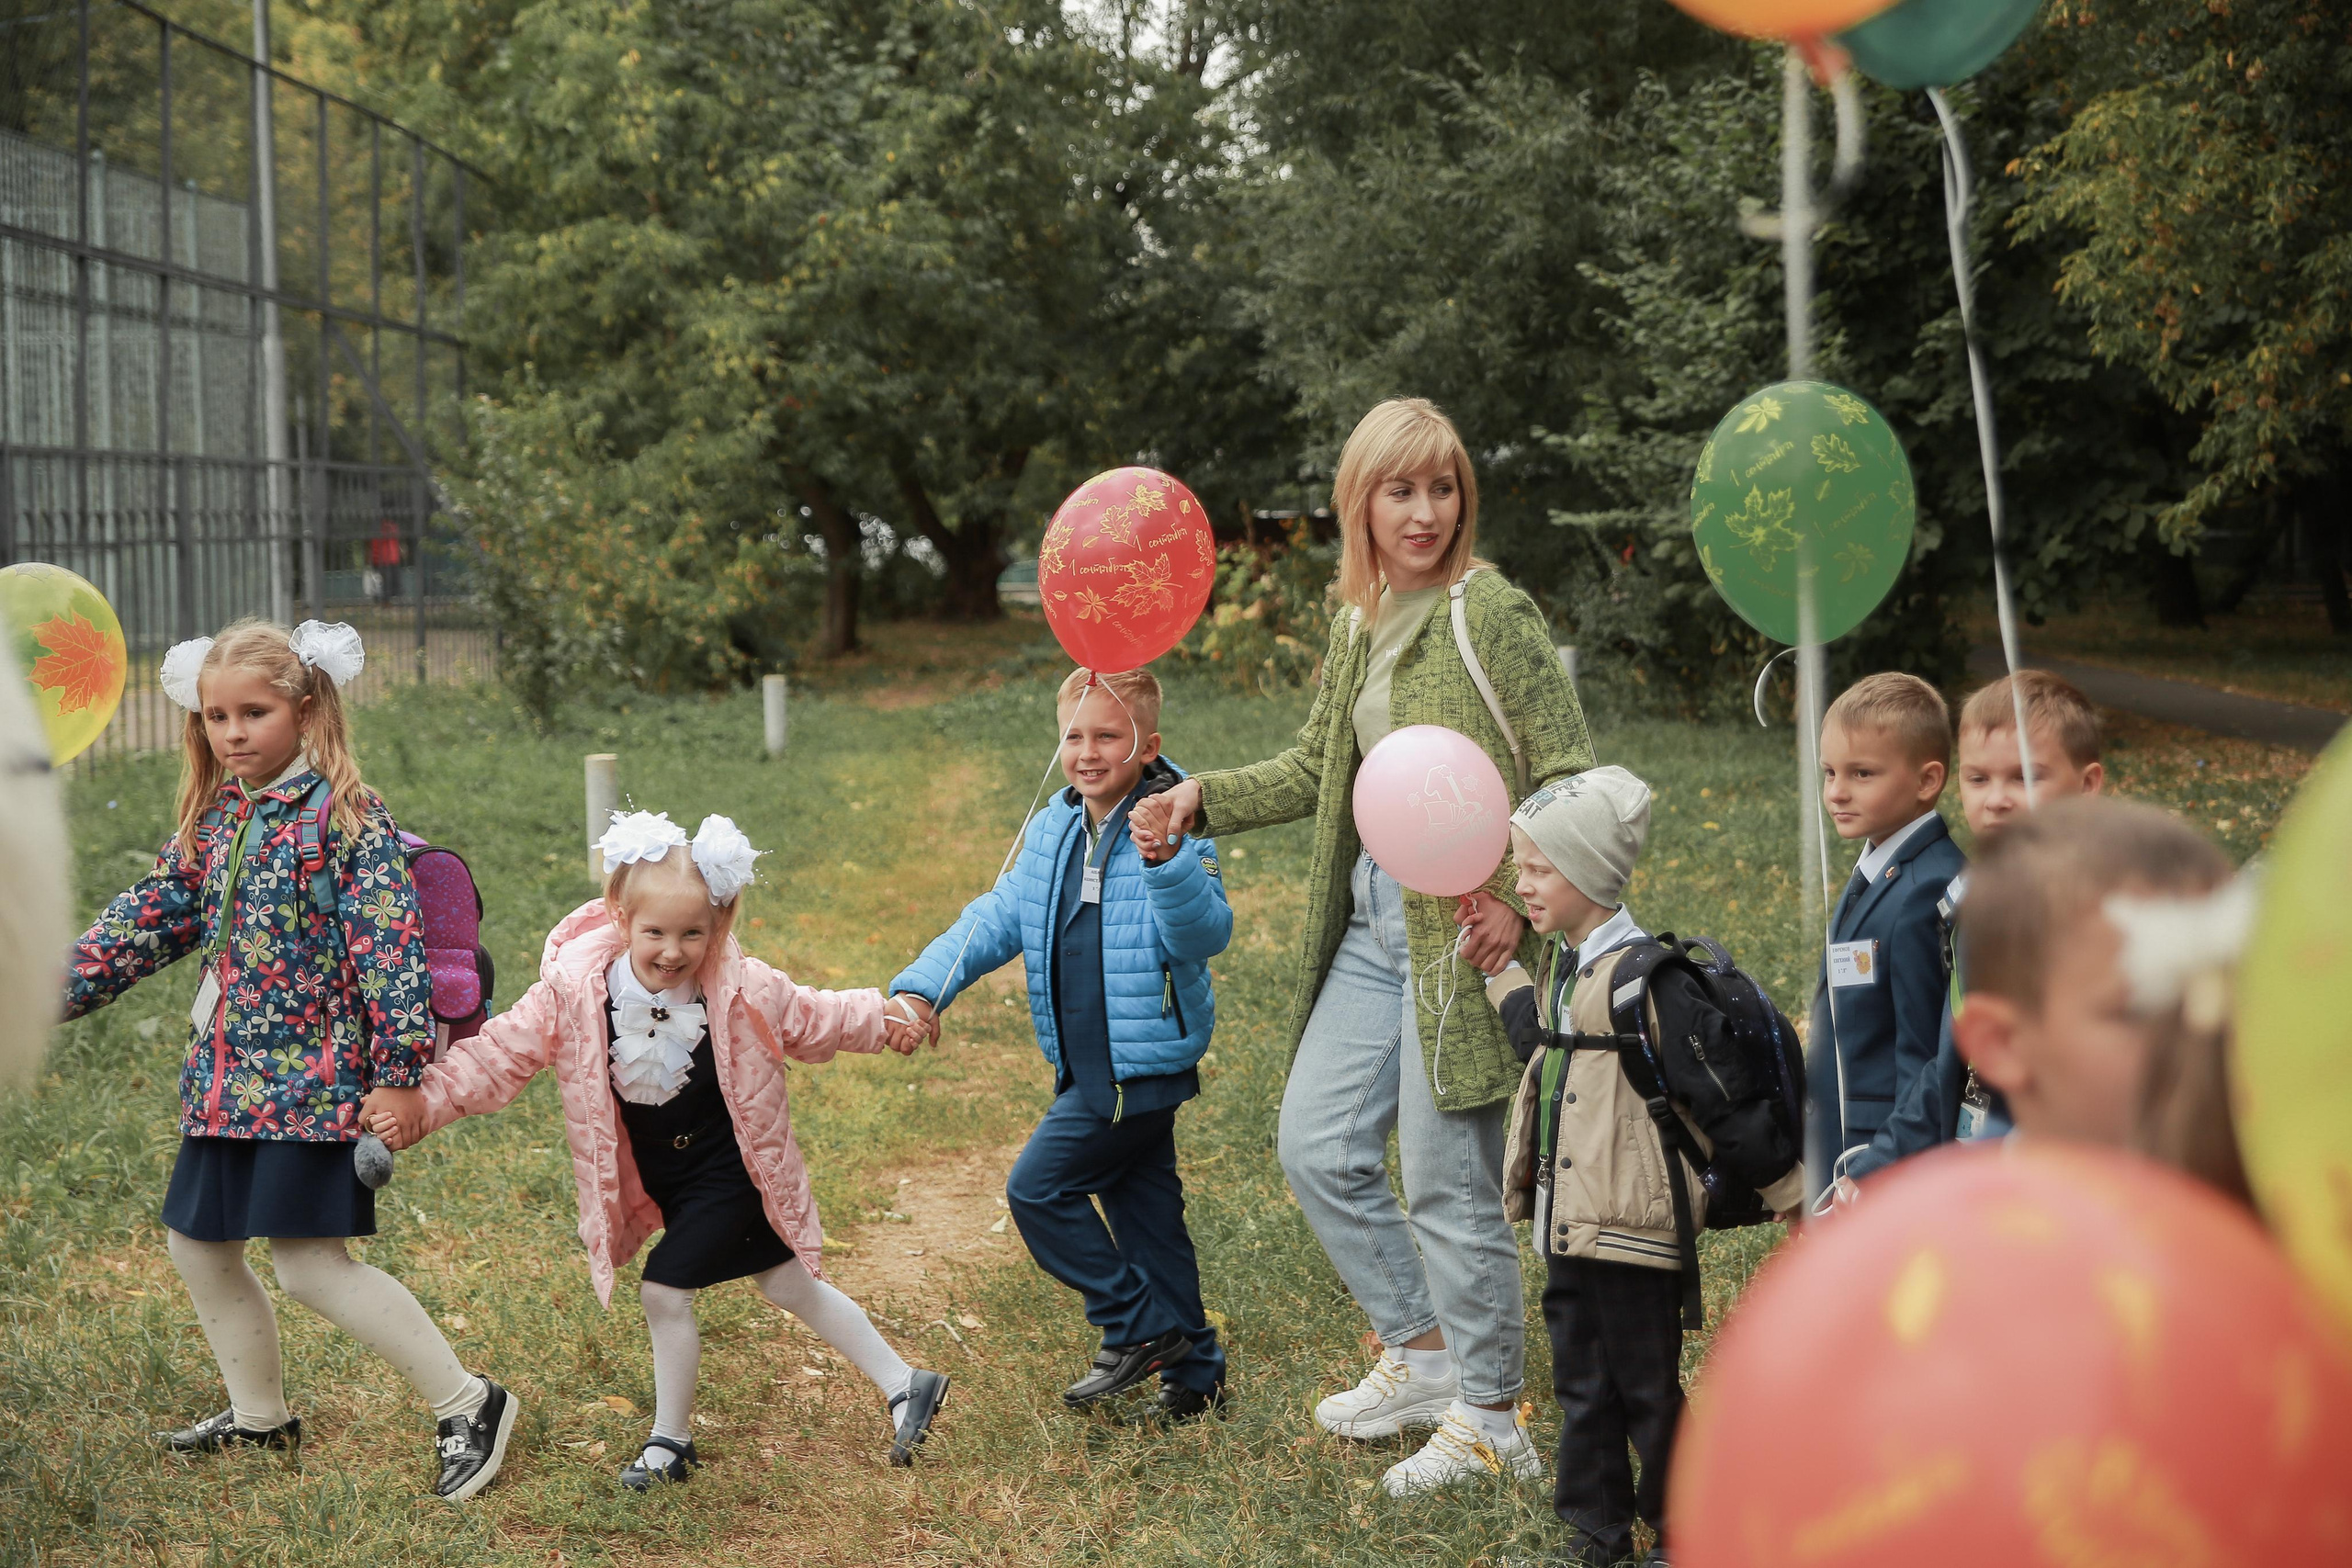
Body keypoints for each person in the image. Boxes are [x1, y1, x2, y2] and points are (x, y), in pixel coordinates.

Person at [1129, 398, 1593, 1495]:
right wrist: (1198, 796)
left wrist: (1517, 902)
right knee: (1317, 1145)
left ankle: (1492, 1419)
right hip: (1373, 919)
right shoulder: (1359, 622)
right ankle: (1424, 1358)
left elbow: (1569, 773)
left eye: (1442, 489)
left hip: (1463, 929)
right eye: (1400, 491)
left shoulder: (1491, 613)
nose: (1424, 512)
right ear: (1361, 505)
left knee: (1446, 1183)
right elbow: (1314, 767)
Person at [60, 619, 517, 1501]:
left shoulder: (346, 820)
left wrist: (400, 1074)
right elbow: (146, 919)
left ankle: (470, 1400)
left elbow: (390, 952)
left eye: (254, 713)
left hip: (316, 1087)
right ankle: (259, 1415)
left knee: (310, 1265)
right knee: (199, 1245)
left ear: (305, 711)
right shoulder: (217, 819)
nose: (232, 733)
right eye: (216, 716)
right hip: (225, 1085)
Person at [361, 811, 944, 1488]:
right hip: (664, 1172)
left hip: (731, 1165)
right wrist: (423, 1102)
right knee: (787, 1282)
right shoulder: (574, 994)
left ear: (717, 925)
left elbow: (817, 1015)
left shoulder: (741, 985)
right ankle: (906, 1383)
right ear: (620, 916)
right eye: (656, 933)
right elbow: (497, 1056)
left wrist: (886, 1017)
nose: (673, 950)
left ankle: (670, 1443)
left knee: (665, 1291)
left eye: (692, 933)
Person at [892, 669, 1233, 1421]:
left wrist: (1166, 861)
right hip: (1084, 1059)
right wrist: (923, 987)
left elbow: (1207, 933)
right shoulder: (1055, 827)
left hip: (1137, 1064)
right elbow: (998, 916)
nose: (1087, 751)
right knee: (1147, 1216)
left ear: (1149, 746)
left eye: (1108, 735)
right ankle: (1196, 1376)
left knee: (1037, 1188)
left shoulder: (1175, 825)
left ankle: (1136, 1324)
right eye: (1074, 735)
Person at [1490, 768, 1804, 1567]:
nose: (1521, 883)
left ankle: (1686, 1525)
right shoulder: (1566, 964)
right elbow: (1544, 1047)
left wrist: (1790, 1191)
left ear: (1589, 871)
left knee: (1646, 1387)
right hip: (1570, 1221)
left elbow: (1725, 1097)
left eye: (1538, 868)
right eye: (1521, 866)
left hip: (1633, 1226)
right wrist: (1500, 975)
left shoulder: (1649, 982)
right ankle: (1595, 1528)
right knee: (1582, 1384)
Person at [1841, 671, 2105, 1186]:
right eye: (1979, 779)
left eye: (2025, 778)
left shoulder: (2107, 906)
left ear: (2088, 784)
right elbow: (1948, 1061)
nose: (1997, 799)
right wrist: (1875, 1168)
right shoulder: (1971, 901)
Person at [1951, 796, 2234, 1151]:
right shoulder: (1967, 1190)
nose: (2209, 1034)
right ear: (2002, 1044)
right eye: (2140, 1009)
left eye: (2229, 994)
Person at [1807, 672, 1966, 1204]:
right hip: (1845, 1150)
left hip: (1883, 1161)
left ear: (1926, 781)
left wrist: (1880, 1166)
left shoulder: (1927, 887)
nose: (1837, 791)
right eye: (1829, 772)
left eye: (1862, 773)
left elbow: (1929, 1055)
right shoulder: (1881, 871)